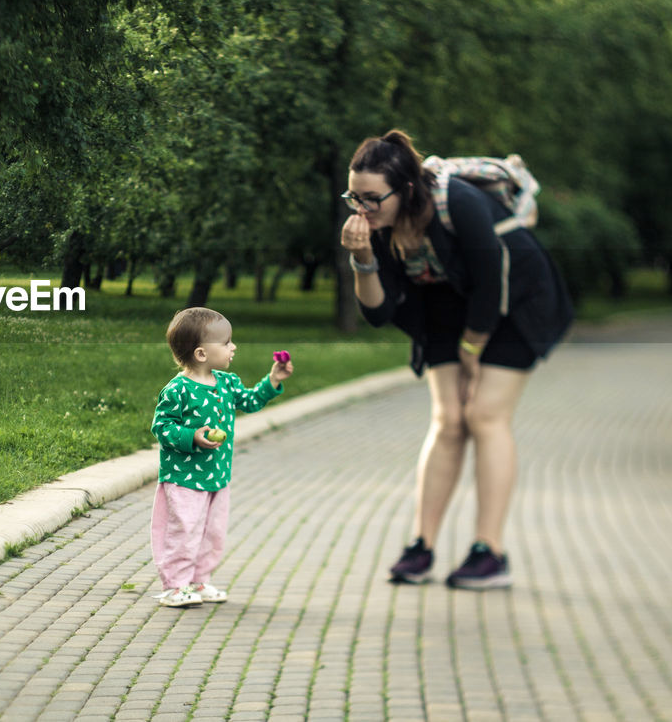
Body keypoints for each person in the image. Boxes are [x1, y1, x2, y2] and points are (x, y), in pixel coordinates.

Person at [340, 130, 572, 589]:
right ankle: (421, 546)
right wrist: (363, 258)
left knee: (484, 415)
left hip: (516, 300)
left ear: (405, 190)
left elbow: (492, 280)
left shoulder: (456, 201)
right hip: (444, 304)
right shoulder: (372, 226)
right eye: (354, 196)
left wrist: (472, 349)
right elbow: (380, 312)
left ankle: (490, 552)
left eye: (371, 198)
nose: (361, 208)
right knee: (449, 420)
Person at [150, 307, 294, 607]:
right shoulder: (178, 390)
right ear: (201, 354)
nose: (233, 347)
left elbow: (252, 401)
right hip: (184, 478)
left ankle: (199, 581)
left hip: (217, 476)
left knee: (212, 533)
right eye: (226, 342)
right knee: (185, 530)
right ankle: (175, 585)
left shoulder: (227, 383)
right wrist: (193, 437)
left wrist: (273, 380)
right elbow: (162, 427)